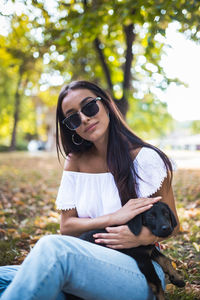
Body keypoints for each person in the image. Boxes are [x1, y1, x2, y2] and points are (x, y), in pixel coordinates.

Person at [0, 80, 180, 300]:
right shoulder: (75, 161)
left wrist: (140, 238)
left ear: (105, 105)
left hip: (140, 272)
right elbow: (67, 227)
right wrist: (113, 217)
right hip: (83, 265)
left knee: (53, 249)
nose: (84, 118)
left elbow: (173, 226)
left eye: (89, 107)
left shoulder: (145, 159)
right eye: (74, 118)